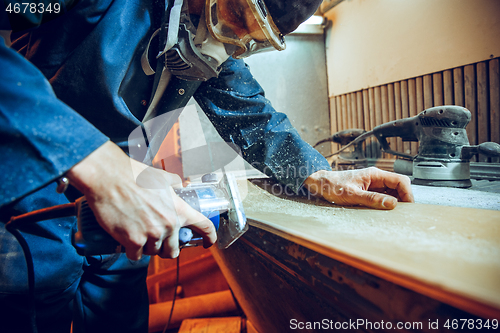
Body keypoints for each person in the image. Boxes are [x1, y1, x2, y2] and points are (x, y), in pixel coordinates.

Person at [0, 0, 414, 332]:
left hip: (133, 216)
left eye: (256, 37)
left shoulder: (201, 42)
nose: (236, 40)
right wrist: (99, 163)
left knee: (119, 318)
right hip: (34, 200)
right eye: (241, 15)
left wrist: (320, 175)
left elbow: (255, 119)